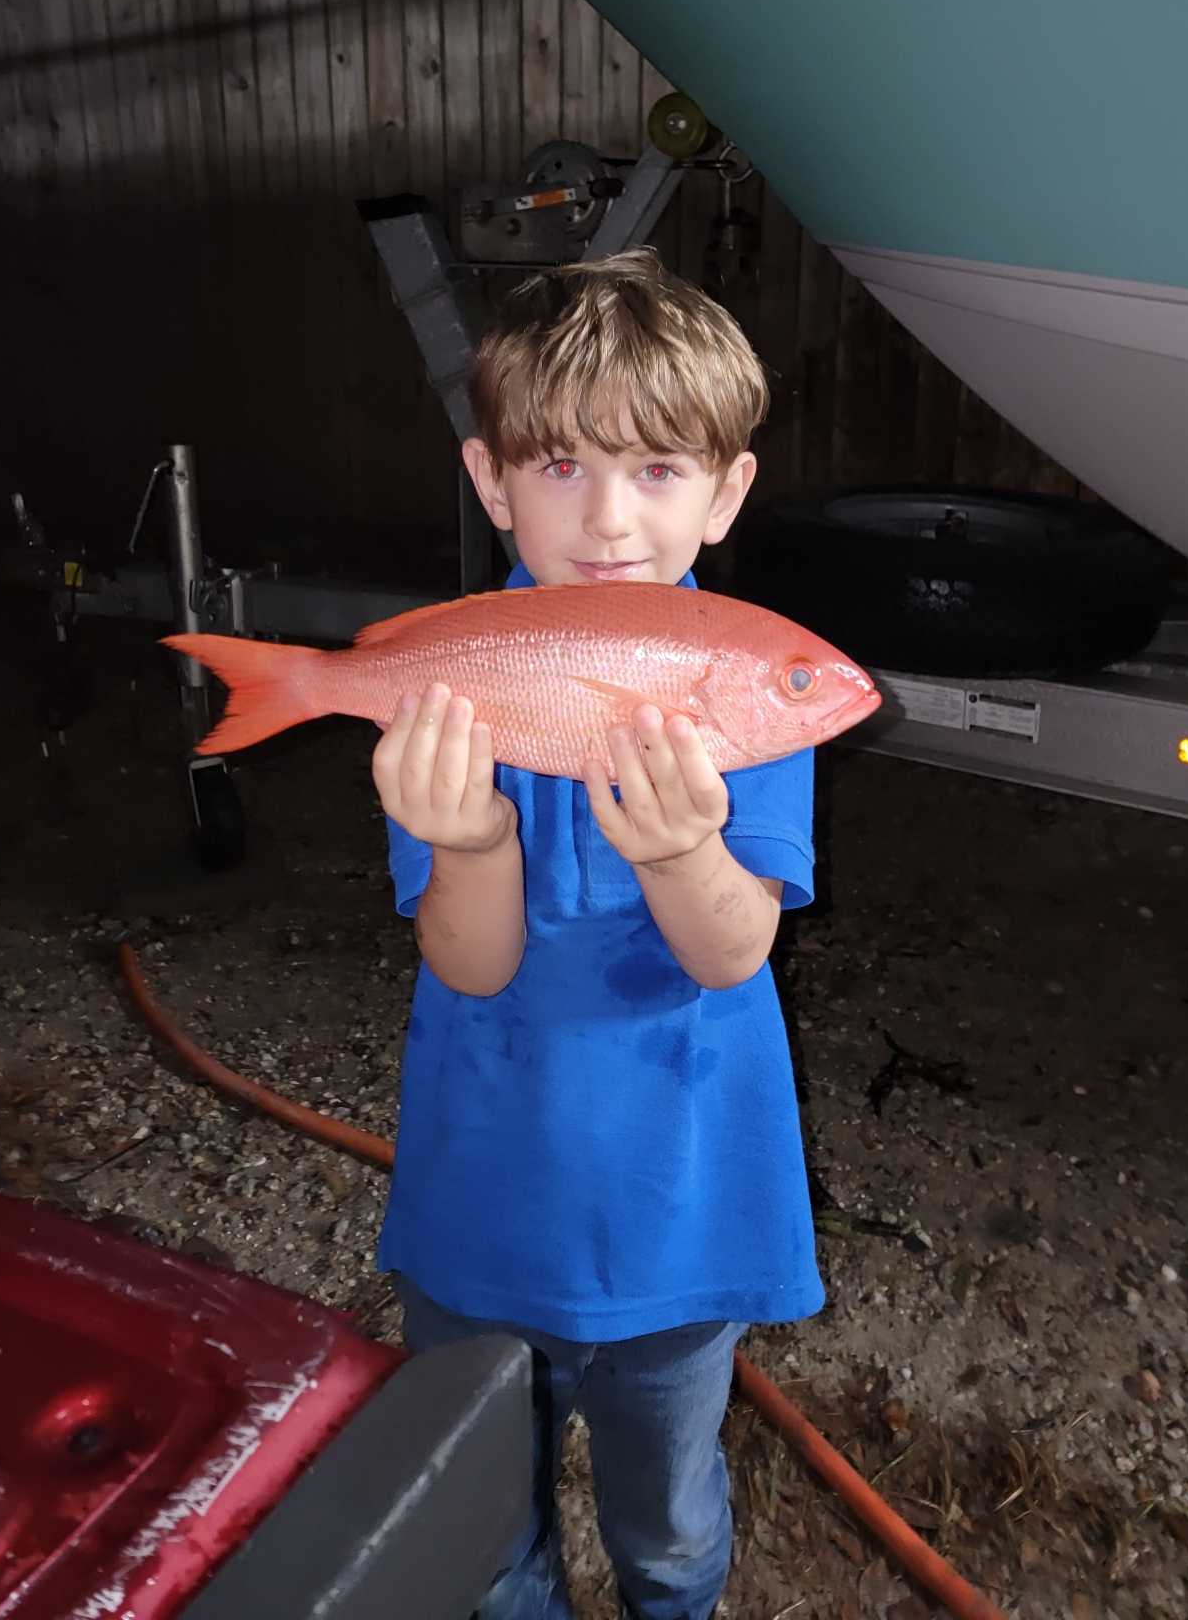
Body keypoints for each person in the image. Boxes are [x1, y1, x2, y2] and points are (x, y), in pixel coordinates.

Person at [370, 248, 822, 1620]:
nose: (610, 517)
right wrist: (471, 841)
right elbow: (472, 963)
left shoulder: (745, 680)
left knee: (669, 1520)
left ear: (727, 493)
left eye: (658, 468)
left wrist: (684, 851)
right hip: (484, 1196)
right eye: (561, 464)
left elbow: (730, 953)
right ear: (490, 478)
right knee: (481, 1519)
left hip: (684, 1201)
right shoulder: (459, 672)